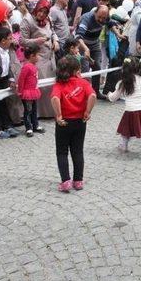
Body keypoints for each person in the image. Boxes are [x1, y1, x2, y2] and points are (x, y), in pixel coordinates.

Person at [51, 56, 96, 193]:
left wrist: (58, 115)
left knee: (62, 152)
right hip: (80, 121)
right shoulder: (83, 83)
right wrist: (87, 111)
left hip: (64, 122)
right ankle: (78, 180)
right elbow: (93, 96)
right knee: (77, 151)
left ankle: (65, 181)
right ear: (77, 70)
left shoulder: (58, 85)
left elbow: (54, 98)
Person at [107, 57, 141, 159]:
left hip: (130, 110)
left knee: (126, 130)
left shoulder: (124, 82)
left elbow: (114, 97)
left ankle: (124, 146)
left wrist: (109, 95)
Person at [20, 0, 59, 118]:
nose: (42, 14)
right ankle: (38, 114)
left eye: (45, 12)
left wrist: (56, 41)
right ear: (36, 8)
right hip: (37, 58)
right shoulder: (27, 20)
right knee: (40, 86)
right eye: (40, 11)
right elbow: (22, 41)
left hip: (50, 57)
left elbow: (52, 32)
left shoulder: (49, 20)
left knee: (51, 85)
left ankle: (50, 112)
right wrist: (36, 41)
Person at [75, 5, 119, 100]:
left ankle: (96, 92)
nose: (101, 20)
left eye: (103, 18)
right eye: (99, 17)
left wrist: (118, 34)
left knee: (97, 68)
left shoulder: (105, 17)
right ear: (95, 12)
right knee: (85, 69)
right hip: (82, 45)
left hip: (95, 44)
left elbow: (110, 24)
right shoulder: (86, 18)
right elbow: (78, 37)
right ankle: (85, 94)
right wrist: (86, 49)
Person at [17, 44, 45, 137]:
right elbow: (21, 80)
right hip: (27, 92)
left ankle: (35, 125)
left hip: (33, 91)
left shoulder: (33, 66)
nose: (39, 57)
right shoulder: (26, 67)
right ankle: (28, 127)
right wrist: (20, 91)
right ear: (32, 56)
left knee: (34, 110)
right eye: (37, 55)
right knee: (28, 110)